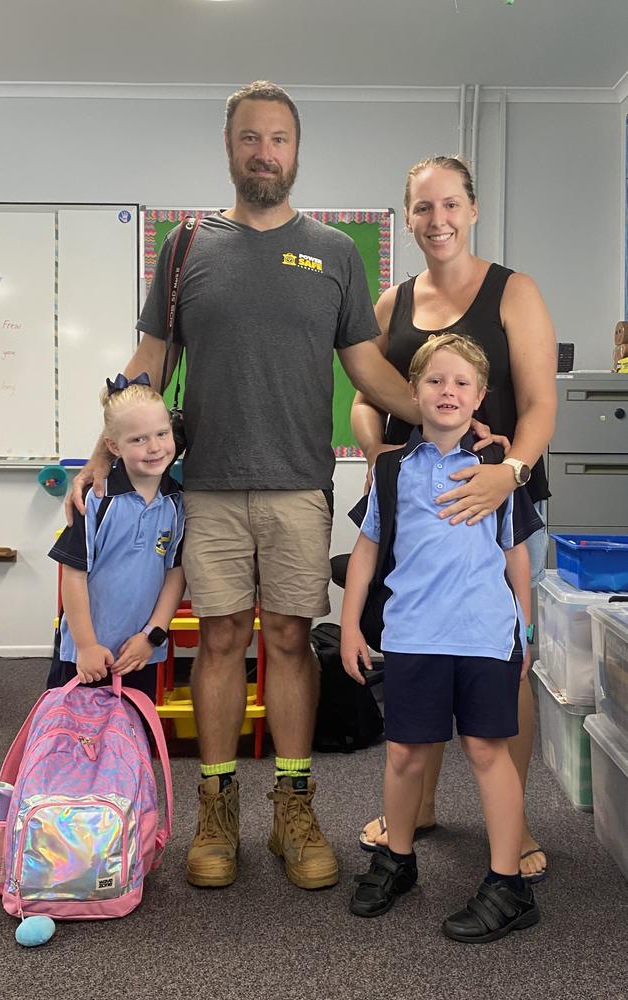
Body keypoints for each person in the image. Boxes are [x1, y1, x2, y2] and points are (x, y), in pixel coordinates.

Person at [66, 81, 420, 892]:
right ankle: (217, 809)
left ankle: (293, 807)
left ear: (297, 152)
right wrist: (99, 453)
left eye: (281, 140)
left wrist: (446, 423)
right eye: (252, 138)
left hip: (300, 484)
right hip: (213, 487)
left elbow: (369, 370)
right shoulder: (188, 247)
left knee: (292, 642)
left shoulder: (335, 252)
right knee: (221, 641)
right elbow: (148, 362)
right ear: (230, 148)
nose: (266, 153)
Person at [353, 155, 557, 882]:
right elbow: (363, 394)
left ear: (471, 209)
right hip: (420, 502)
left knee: (500, 654)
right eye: (421, 208)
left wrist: (510, 474)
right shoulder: (390, 303)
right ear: (407, 218)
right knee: (423, 648)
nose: (436, 220)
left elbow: (538, 404)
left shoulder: (513, 292)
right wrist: (382, 456)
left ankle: (519, 818)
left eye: (449, 205)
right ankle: (422, 807)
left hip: (497, 495)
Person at [342, 333, 542, 942]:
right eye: (434, 381)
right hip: (413, 635)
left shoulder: (499, 470)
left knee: (488, 750)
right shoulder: (392, 468)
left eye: (461, 383)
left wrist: (524, 630)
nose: (447, 391)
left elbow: (516, 556)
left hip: (484, 633)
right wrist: (350, 624)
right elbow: (368, 549)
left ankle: (508, 884)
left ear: (480, 396)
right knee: (405, 751)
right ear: (414, 392)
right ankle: (396, 860)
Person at [48, 373, 185, 700]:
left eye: (162, 434)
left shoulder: (177, 503)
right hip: (84, 654)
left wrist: (152, 636)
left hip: (137, 653)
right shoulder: (94, 499)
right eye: (138, 440)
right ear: (113, 446)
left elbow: (175, 574)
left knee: (132, 737)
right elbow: (74, 576)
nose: (154, 447)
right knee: (72, 740)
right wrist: (87, 646)